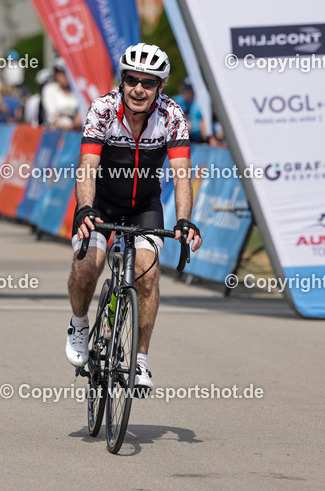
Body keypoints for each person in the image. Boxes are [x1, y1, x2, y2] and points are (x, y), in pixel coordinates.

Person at [66, 43, 202, 393]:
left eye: (149, 82)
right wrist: (85, 207)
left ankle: (139, 361)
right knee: (87, 268)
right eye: (132, 80)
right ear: (121, 80)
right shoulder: (103, 109)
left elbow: (182, 173)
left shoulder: (172, 116)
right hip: (102, 202)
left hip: (144, 204)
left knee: (148, 274)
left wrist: (184, 220)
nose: (139, 89)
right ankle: (80, 325)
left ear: (161, 87)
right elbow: (88, 165)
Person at [40, 61, 79, 130]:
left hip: (75, 132)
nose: (66, 77)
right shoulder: (50, 89)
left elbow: (81, 112)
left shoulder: (74, 91)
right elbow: (52, 116)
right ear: (56, 75)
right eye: (63, 74)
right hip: (58, 132)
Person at [171, 79, 211, 144]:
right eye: (186, 90)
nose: (188, 93)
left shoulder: (198, 104)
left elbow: (201, 124)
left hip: (196, 139)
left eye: (190, 90)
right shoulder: (175, 101)